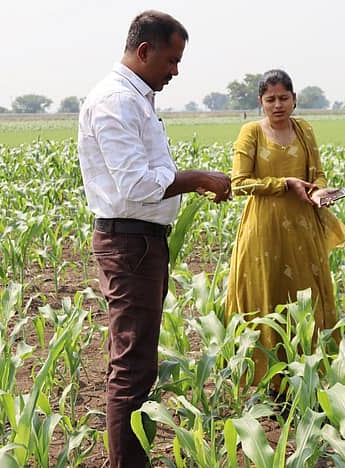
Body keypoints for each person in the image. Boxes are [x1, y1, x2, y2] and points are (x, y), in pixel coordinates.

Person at [77, 11, 231, 467]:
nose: (175, 70)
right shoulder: (117, 101)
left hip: (140, 242)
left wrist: (188, 181)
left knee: (137, 362)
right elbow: (137, 185)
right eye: (171, 59)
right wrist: (196, 177)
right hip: (130, 245)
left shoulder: (135, 99)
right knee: (131, 369)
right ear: (144, 51)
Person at [225, 69, 345, 395]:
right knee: (269, 298)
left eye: (284, 98)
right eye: (271, 99)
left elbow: (317, 173)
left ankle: (308, 375)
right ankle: (271, 382)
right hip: (264, 230)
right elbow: (239, 184)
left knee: (306, 298)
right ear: (260, 102)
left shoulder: (304, 129)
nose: (278, 105)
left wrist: (320, 191)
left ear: (294, 99)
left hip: (302, 227)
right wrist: (285, 184)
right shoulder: (251, 132)